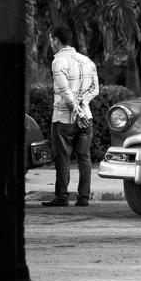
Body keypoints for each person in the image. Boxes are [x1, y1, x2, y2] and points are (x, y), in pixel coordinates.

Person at [42, 24, 99, 208]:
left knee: (63, 158)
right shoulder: (88, 61)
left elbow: (65, 92)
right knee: (84, 158)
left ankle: (62, 197)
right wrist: (82, 104)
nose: (51, 44)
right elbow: (95, 90)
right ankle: (83, 198)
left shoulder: (58, 62)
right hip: (86, 117)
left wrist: (75, 109)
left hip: (63, 119)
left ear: (56, 41)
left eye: (51, 40)